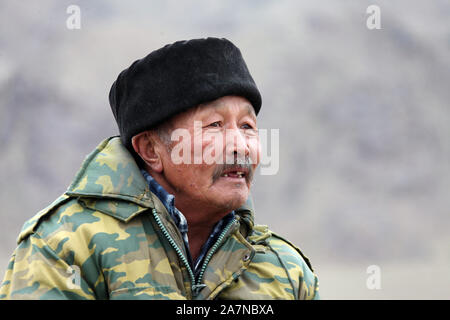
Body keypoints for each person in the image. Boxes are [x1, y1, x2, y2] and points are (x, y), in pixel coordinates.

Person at [0, 37, 319, 300]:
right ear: (151, 150)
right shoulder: (67, 246)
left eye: (248, 126)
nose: (240, 145)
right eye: (215, 125)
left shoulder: (285, 271)